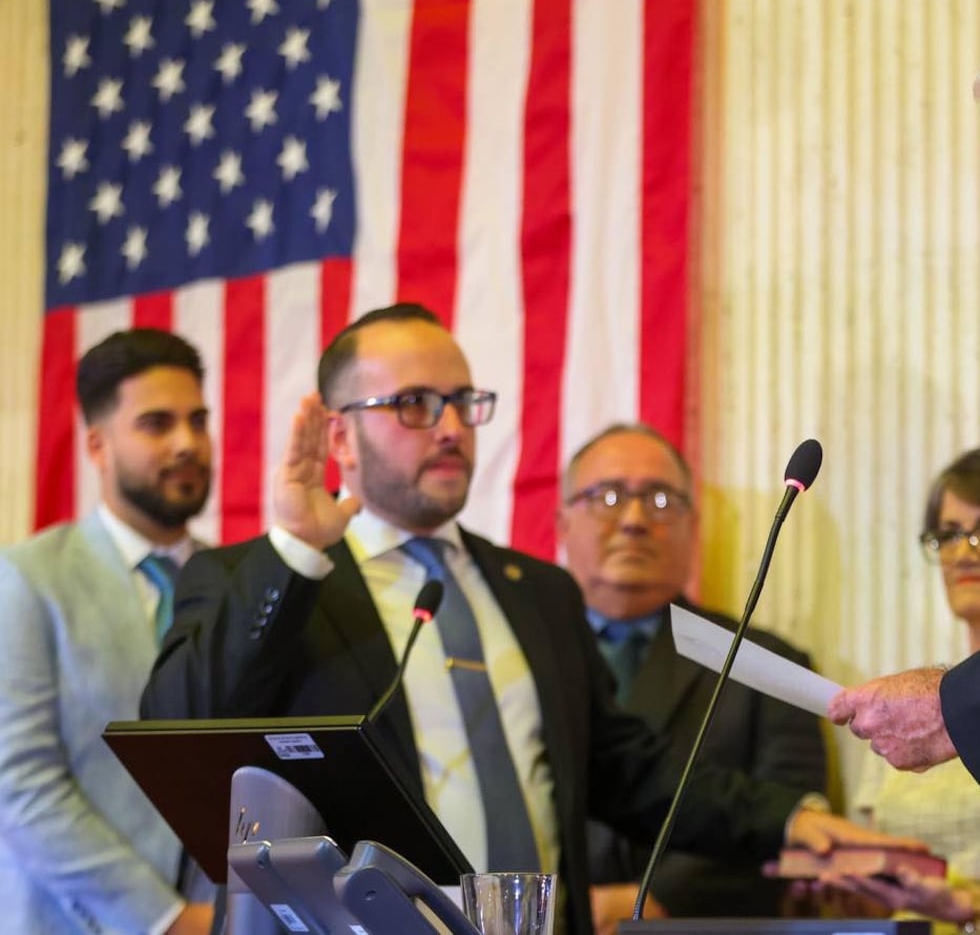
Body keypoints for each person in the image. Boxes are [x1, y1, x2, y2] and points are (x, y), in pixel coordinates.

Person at [140, 303, 921, 935]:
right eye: (414, 405)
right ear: (339, 433)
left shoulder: (537, 591)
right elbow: (183, 732)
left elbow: (628, 771)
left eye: (461, 403)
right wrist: (299, 555)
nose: (449, 427)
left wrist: (789, 821)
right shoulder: (254, 577)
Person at [556, 423, 829, 930]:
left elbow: (792, 817)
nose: (635, 519)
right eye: (608, 496)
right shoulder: (526, 658)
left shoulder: (764, 663)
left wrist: (658, 901)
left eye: (661, 500)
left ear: (692, 526)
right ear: (562, 523)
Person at [0, 329, 215, 934]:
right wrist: (165, 918)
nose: (187, 444)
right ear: (97, 444)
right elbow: (20, 786)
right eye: (157, 423)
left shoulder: (238, 582)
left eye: (198, 420)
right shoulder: (27, 579)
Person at [820, 448, 980, 931]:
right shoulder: (909, 708)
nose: (962, 552)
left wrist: (968, 906)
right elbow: (883, 885)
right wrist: (856, 890)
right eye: (949, 533)